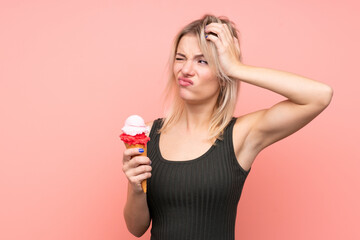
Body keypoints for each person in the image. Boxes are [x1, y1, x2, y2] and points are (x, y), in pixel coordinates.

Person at [121, 14, 333, 240]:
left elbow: (319, 96)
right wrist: (135, 187)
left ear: (223, 76)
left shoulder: (241, 135)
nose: (186, 69)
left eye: (202, 61)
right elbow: (136, 228)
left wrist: (236, 68)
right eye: (181, 58)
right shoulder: (147, 134)